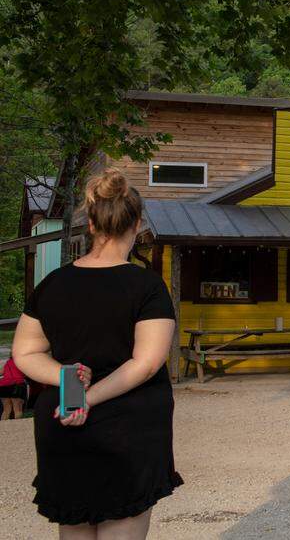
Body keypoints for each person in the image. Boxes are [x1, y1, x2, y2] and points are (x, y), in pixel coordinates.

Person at [12, 168, 182, 537]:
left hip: (64, 424)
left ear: (90, 223)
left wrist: (70, 386)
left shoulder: (53, 284)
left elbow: (25, 351)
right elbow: (146, 363)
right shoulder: (147, 286)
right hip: (127, 431)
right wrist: (87, 399)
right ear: (136, 224)